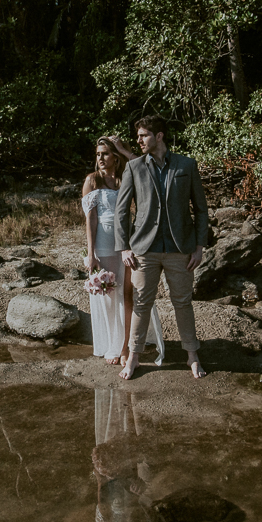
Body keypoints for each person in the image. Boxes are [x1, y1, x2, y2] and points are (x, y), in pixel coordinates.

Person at [115, 115, 209, 379]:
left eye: (143, 135)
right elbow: (121, 210)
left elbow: (201, 209)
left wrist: (199, 246)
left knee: (183, 302)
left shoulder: (186, 165)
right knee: (142, 302)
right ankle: (133, 357)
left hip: (181, 248)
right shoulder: (133, 167)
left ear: (159, 136)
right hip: (144, 248)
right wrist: (123, 247)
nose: (138, 140)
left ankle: (192, 355)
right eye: (138, 136)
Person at [82, 136, 165, 367]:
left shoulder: (127, 176)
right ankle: (112, 344)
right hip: (103, 244)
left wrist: (123, 149)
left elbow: (148, 169)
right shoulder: (92, 180)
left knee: (128, 296)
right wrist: (91, 253)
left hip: (128, 244)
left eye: (106, 153)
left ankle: (127, 347)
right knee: (109, 297)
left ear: (115, 157)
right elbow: (91, 219)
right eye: (98, 154)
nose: (100, 158)